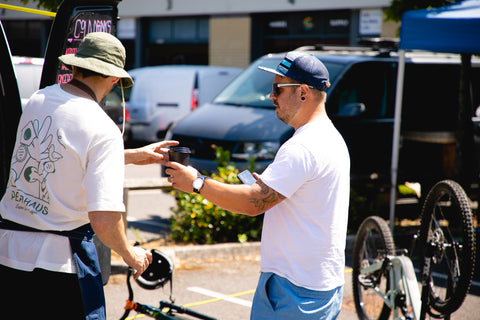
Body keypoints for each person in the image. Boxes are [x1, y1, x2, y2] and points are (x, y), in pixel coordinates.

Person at [0, 32, 176, 320]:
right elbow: (104, 221)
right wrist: (130, 254)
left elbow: (59, 156)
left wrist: (132, 156)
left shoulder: (39, 99)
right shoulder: (102, 128)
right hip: (60, 266)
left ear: (74, 66)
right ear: (115, 79)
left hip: (9, 251)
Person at [162, 51, 350, 319]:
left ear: (304, 93)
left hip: (295, 289)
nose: (271, 96)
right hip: (312, 284)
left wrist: (196, 182)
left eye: (277, 89)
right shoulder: (329, 137)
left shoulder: (303, 146)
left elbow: (252, 202)